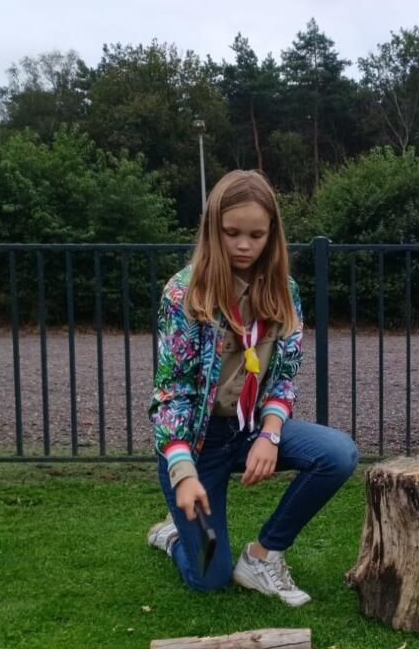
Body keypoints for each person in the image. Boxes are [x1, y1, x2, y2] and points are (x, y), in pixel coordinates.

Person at [147, 170, 359, 605]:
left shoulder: (284, 291)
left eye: (256, 235)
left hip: (249, 431)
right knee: (210, 577)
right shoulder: (183, 294)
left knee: (337, 454)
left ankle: (262, 555)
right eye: (232, 233)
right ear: (213, 229)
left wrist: (270, 433)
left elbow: (284, 374)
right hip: (196, 443)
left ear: (272, 235)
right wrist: (183, 473)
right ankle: (175, 536)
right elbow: (173, 394)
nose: (244, 245)